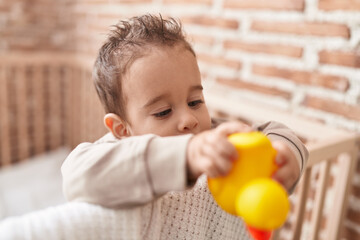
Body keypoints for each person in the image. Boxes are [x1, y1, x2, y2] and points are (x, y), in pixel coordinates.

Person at [61, 14, 308, 239]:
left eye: (195, 101)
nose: (189, 119)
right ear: (122, 129)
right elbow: (75, 177)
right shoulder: (117, 157)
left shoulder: (214, 139)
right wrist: (185, 156)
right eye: (163, 112)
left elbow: (273, 130)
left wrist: (284, 154)